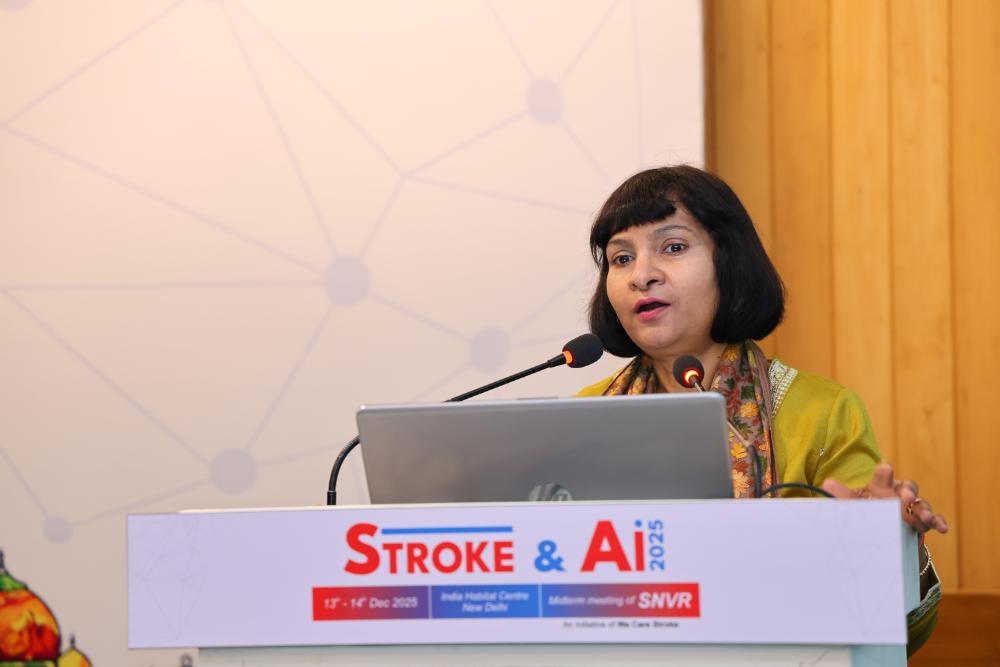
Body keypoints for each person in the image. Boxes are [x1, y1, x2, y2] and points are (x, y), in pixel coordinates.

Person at [576, 165, 948, 654]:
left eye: (673, 247)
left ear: (729, 262)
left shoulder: (821, 411)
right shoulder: (583, 418)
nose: (641, 275)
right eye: (621, 258)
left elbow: (893, 634)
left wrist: (890, 544)